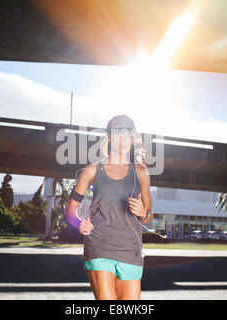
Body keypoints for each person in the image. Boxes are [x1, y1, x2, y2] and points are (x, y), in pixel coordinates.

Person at [64, 114, 154, 300]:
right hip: (99, 247)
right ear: (109, 137)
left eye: (128, 135)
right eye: (118, 134)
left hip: (131, 251)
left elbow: (149, 217)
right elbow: (71, 209)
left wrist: (143, 212)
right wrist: (79, 223)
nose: (123, 140)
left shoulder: (142, 173)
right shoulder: (92, 171)